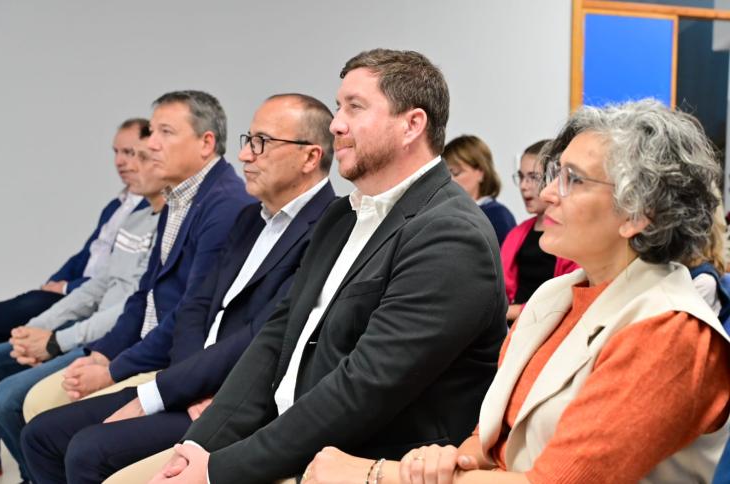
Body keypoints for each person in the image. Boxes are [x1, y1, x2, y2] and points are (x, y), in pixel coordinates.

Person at [304, 99, 730, 484]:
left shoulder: (671, 332)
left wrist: (376, 474)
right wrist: (445, 462)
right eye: (553, 174)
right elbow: (490, 446)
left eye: (573, 180)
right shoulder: (554, 297)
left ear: (640, 214)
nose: (545, 194)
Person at [133, 48, 507, 484]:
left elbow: (363, 388)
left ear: (412, 125)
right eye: (337, 107)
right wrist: (199, 446)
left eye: (355, 107)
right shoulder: (341, 214)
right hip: (281, 439)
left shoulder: (450, 236)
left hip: (356, 463)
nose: (335, 124)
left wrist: (218, 471)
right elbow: (277, 336)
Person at [20, 93, 337, 483]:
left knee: (89, 450)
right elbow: (194, 306)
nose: (245, 156)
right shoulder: (249, 219)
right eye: (247, 141)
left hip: (235, 398)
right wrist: (183, 384)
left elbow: (262, 336)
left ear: (310, 157)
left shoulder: (327, 228)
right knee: (42, 435)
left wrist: (176, 390)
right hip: (190, 383)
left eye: (262, 143)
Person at [0, 127, 163, 482]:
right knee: (8, 382)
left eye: (137, 155)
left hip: (115, 340)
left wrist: (56, 340)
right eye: (121, 153)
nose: (126, 164)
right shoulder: (133, 215)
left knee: (10, 399)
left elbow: (134, 307)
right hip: (97, 332)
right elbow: (100, 281)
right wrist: (39, 328)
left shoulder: (174, 223)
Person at [0, 118, 149, 343]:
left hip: (93, 302)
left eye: (128, 152)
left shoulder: (151, 211)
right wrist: (54, 283)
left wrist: (66, 287)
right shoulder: (116, 205)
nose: (119, 161)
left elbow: (118, 275)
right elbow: (86, 255)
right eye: (116, 152)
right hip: (74, 294)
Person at [502, 140, 578, 323]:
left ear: (555, 179)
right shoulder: (517, 234)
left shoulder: (572, 236)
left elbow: (567, 299)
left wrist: (511, 312)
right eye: (521, 177)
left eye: (533, 177)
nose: (523, 186)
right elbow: (500, 287)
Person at [443, 135, 515, 244]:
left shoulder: (498, 217)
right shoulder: (446, 213)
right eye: (446, 174)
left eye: (456, 172)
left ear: (481, 172)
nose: (450, 180)